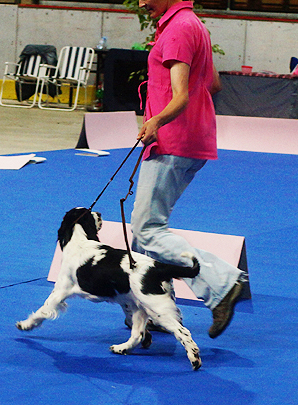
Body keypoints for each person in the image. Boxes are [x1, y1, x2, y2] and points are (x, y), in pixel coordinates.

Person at [130, 0, 244, 338]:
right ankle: (155, 308)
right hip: (192, 138)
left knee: (148, 228)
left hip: (173, 140)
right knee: (143, 232)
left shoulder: (178, 29)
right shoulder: (193, 24)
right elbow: (213, 84)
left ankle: (222, 284)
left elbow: (180, 96)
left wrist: (156, 120)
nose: (140, 3)